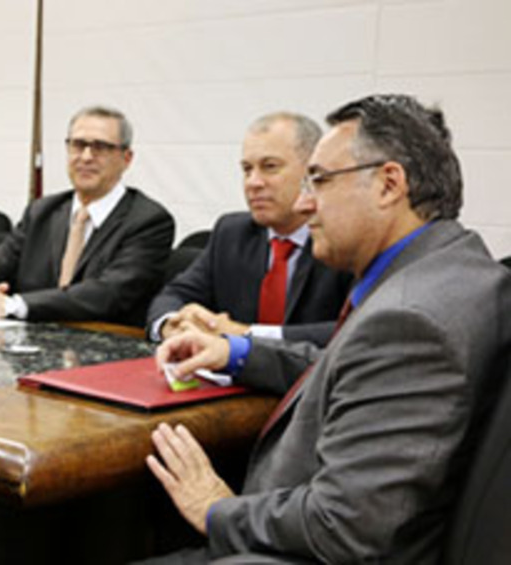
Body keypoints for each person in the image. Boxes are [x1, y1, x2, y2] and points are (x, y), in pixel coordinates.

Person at [145, 94, 511, 563]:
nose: (303, 202)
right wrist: (235, 352)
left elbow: (344, 526)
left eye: (318, 180)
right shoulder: (458, 269)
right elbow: (361, 372)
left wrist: (217, 509)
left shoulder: (409, 320)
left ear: (388, 184)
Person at [0, 106, 175, 327]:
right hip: (30, 344)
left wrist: (10, 305)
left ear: (126, 158)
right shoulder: (42, 210)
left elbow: (108, 294)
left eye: (100, 147)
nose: (85, 156)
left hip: (103, 347)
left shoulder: (149, 221)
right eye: (78, 144)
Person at [146, 112, 351, 347]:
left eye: (270, 167)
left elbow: (354, 331)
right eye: (247, 169)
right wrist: (173, 324)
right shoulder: (231, 232)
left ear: (312, 171)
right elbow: (174, 295)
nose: (253, 182)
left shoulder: (344, 238)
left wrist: (245, 334)